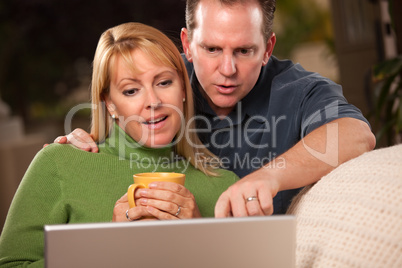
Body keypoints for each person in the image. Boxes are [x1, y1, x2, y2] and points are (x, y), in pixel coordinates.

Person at [53, 0, 376, 217]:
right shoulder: (163, 80)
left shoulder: (298, 90)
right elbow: (116, 106)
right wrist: (87, 141)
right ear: (186, 44)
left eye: (244, 51)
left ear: (268, 49)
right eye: (211, 48)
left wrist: (266, 177)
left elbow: (356, 134)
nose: (227, 69)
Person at [0, 22, 238, 266]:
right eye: (131, 90)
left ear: (184, 89)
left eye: (164, 82)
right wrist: (108, 248)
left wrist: (201, 239)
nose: (153, 101)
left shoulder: (225, 187)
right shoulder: (58, 163)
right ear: (110, 103)